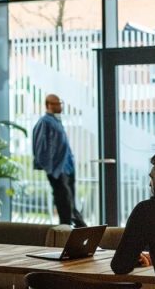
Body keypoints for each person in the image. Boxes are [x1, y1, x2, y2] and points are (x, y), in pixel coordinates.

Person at [111, 153, 155, 287]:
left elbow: (120, 266)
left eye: (152, 178)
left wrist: (135, 258)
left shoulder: (147, 210)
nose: (150, 184)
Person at [32, 94, 87, 227]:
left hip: (67, 168)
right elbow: (40, 148)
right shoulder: (45, 122)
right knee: (65, 205)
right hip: (57, 171)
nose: (60, 106)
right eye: (57, 104)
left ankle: (81, 230)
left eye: (60, 103)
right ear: (48, 105)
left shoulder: (56, 121)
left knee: (70, 204)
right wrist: (51, 170)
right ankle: (76, 231)